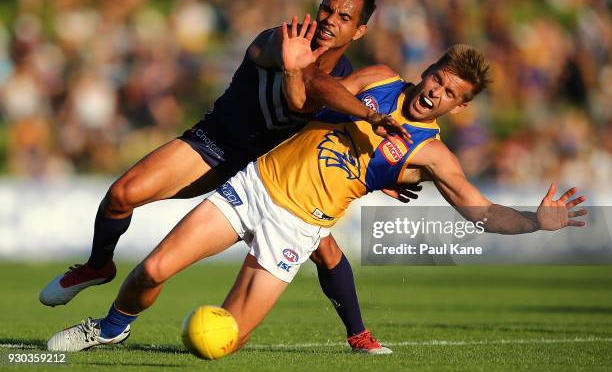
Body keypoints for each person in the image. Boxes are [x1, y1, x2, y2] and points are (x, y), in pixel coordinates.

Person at [47, 43, 586, 354]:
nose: (435, 93)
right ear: (427, 70)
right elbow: (319, 86)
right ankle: (109, 329)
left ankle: (213, 324)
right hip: (254, 186)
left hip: (298, 229)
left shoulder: (434, 156)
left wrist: (534, 222)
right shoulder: (380, 80)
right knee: (154, 268)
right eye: (437, 79)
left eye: (450, 94)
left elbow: (481, 211)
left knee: (221, 340)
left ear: (460, 106)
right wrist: (365, 113)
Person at [40, 0, 411, 353]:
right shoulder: (283, 40)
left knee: (326, 251)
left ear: (359, 30)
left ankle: (359, 336)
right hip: (214, 146)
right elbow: (309, 83)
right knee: (122, 195)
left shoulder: (347, 77)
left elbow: (335, 130)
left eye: (343, 17)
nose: (330, 19)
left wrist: (376, 174)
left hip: (268, 174)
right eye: (327, 9)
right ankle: (97, 267)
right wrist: (364, 110)